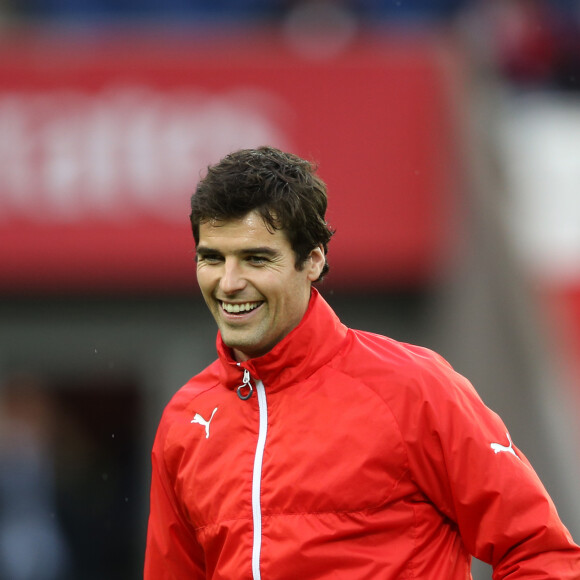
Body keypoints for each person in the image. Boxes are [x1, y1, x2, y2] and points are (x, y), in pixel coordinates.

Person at [144, 146, 580, 579]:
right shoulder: (185, 420)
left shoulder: (414, 386)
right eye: (212, 259)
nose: (230, 282)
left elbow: (541, 555)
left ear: (313, 259)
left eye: (257, 258)